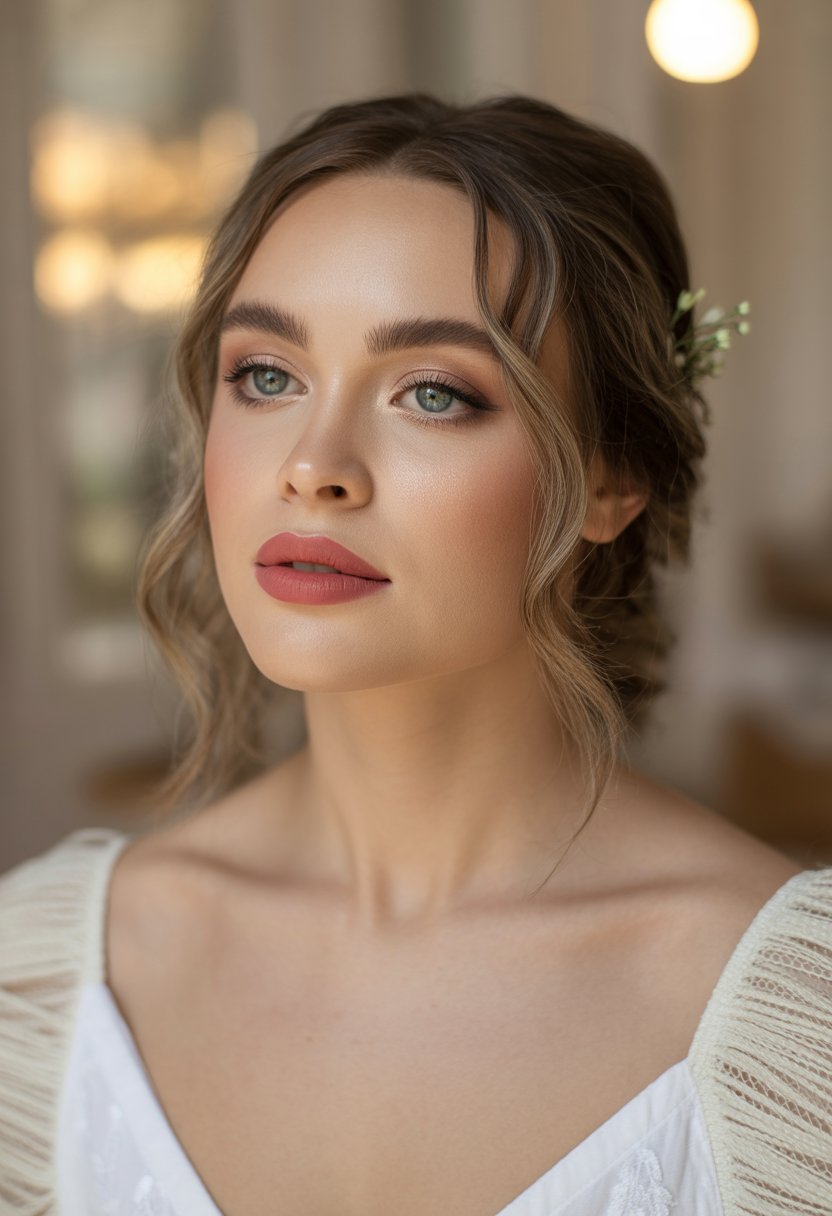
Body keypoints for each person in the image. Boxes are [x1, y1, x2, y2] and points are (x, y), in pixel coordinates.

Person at [1, 92, 830, 1216]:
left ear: (609, 477)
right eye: (266, 375)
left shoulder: (791, 1029)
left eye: (432, 392)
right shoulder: (41, 990)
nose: (313, 465)